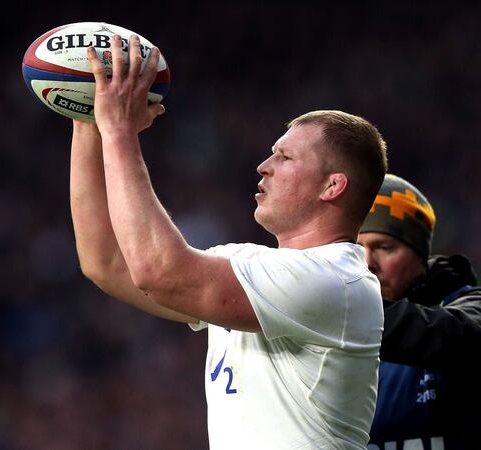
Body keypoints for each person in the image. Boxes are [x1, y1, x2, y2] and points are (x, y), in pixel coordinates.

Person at [70, 34, 388, 448]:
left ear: (332, 186)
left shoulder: (336, 282)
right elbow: (107, 263)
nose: (263, 166)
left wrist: (119, 132)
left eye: (285, 157)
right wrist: (88, 121)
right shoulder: (250, 266)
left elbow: (158, 272)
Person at [358, 174, 481, 449]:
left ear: (421, 257)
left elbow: (462, 336)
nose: (367, 263)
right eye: (356, 248)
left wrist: (345, 315)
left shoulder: (469, 307)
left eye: (384, 247)